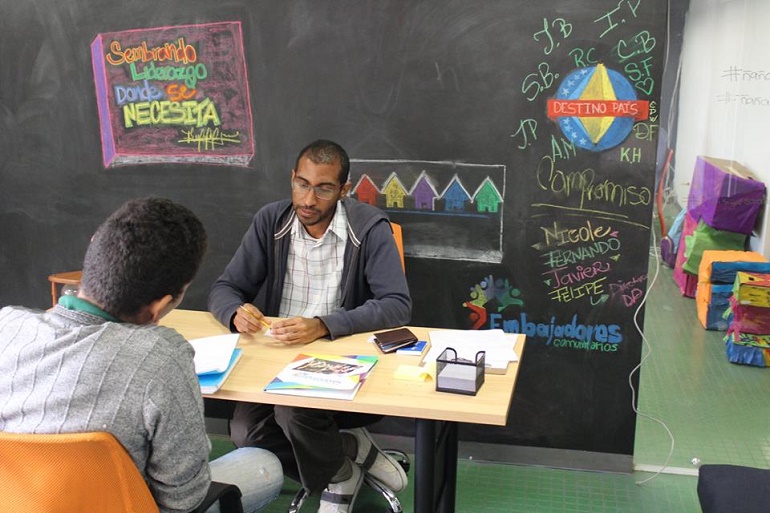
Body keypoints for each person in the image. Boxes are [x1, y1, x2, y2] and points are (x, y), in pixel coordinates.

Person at [0, 197, 283, 513]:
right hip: (124, 505)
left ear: (94, 246)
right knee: (263, 464)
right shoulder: (162, 356)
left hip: (21, 501)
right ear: (160, 307)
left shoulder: (7, 326)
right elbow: (184, 498)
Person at [208, 139, 412, 512]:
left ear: (343, 190)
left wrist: (323, 325)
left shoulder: (368, 228)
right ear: (292, 178)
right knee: (245, 432)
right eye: (302, 184)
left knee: (292, 412)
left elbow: (397, 305)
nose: (308, 199)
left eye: (323, 188)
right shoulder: (272, 221)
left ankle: (337, 481)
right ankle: (347, 458)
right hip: (275, 358)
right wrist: (235, 312)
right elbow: (226, 288)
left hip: (343, 359)